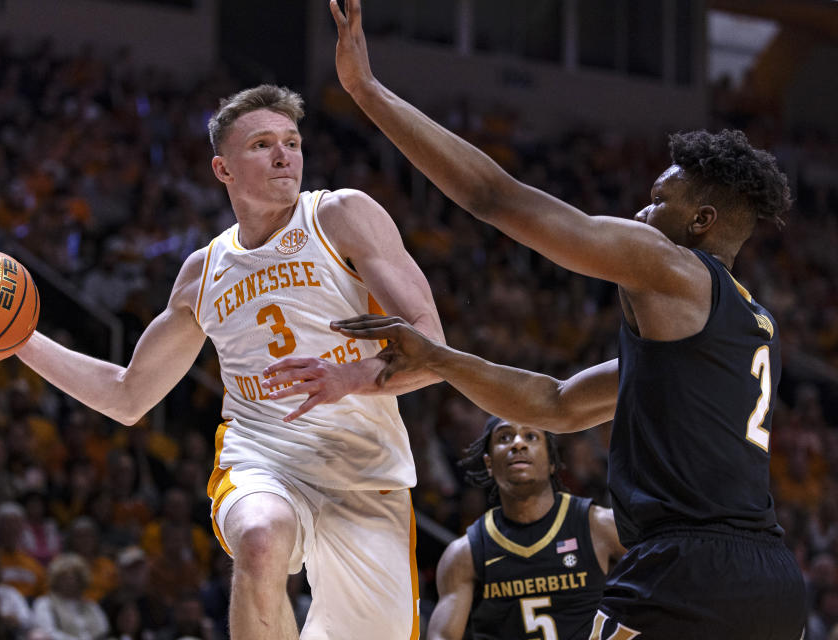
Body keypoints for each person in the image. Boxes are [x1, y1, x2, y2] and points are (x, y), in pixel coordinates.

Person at [265, 2, 807, 638]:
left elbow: (495, 198)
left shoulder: (672, 267)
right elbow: (556, 405)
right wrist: (441, 360)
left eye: (659, 200)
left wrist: (367, 90)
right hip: (772, 581)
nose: (640, 211)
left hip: (686, 569)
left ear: (701, 222)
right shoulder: (743, 323)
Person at [16, 83, 444, 640]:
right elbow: (126, 396)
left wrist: (350, 377)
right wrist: (20, 341)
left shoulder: (340, 215)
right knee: (261, 539)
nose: (283, 155)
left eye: (291, 141)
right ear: (223, 170)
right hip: (263, 456)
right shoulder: (204, 272)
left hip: (364, 471)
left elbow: (434, 347)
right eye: (262, 144)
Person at [427, 416, 625, 640]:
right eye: (504, 437)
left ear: (552, 461)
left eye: (531, 436)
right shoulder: (464, 553)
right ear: (489, 463)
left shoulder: (600, 526)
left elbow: (662, 585)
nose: (518, 444)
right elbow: (441, 636)